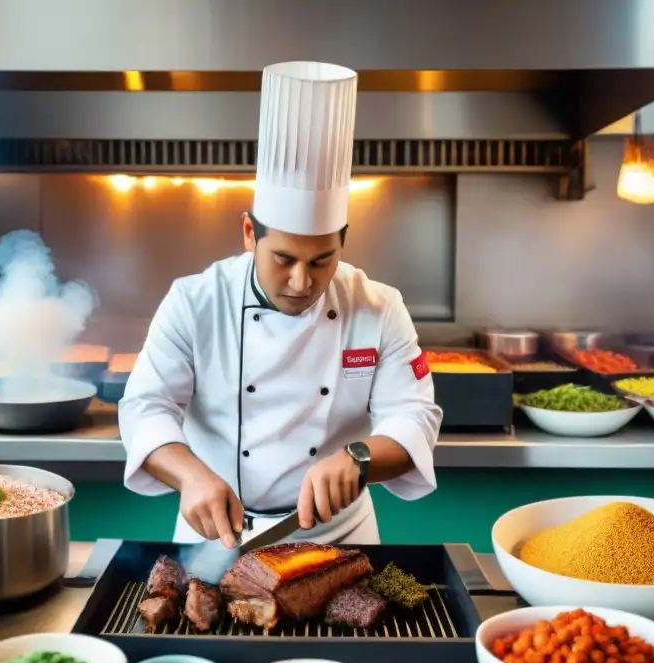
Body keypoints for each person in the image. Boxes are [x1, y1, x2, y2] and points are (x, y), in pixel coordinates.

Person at [119, 61, 442, 548]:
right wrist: (189, 475)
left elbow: (415, 416)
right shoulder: (195, 301)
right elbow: (146, 406)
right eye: (284, 258)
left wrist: (358, 457)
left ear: (343, 242)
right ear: (250, 233)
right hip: (215, 535)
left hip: (341, 537)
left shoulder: (378, 307)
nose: (300, 280)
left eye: (322, 260)